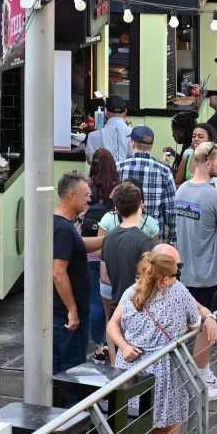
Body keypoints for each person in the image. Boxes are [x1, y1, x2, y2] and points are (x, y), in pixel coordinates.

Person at [106, 251, 217, 434]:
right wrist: (208, 319)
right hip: (163, 370)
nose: (177, 278)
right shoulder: (177, 293)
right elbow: (195, 322)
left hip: (129, 369)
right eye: (175, 274)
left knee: (136, 429)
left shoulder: (131, 291)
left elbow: (112, 326)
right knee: (166, 430)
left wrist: (125, 347)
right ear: (164, 278)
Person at [174, 142, 217, 401]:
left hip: (183, 271)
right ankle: (199, 380)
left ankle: (201, 372)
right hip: (207, 273)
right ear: (207, 163)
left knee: (188, 329)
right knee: (205, 329)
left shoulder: (182, 190)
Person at [53, 173, 103, 374]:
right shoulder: (64, 229)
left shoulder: (64, 226)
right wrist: (72, 310)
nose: (89, 199)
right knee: (69, 370)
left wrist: (109, 238)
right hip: (66, 317)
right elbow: (58, 272)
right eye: (86, 195)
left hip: (67, 314)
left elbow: (79, 245)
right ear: (72, 196)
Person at [82, 149, 118, 355]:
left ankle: (98, 342)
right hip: (112, 252)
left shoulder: (88, 188)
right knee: (114, 298)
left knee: (95, 300)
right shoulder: (118, 188)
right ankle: (111, 339)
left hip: (91, 253)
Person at [102, 182, 157, 311]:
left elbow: (104, 277)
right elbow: (150, 280)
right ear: (141, 204)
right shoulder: (145, 241)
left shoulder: (108, 239)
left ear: (116, 208)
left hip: (116, 307)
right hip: (139, 308)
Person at [118, 126, 176, 244]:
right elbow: (171, 211)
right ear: (151, 146)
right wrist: (172, 241)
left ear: (132, 143)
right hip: (152, 237)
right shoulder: (164, 171)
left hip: (122, 234)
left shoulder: (118, 167)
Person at [85, 95, 131, 163]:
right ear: (125, 111)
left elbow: (90, 160)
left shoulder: (93, 136)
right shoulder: (133, 134)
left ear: (106, 111)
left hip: (103, 173)